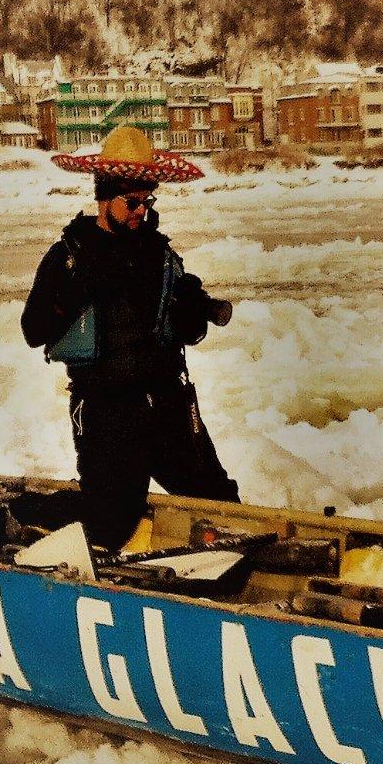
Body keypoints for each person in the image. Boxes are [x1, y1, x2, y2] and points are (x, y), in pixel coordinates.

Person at [20, 125, 238, 555]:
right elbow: (33, 330)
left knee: (218, 502)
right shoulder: (69, 255)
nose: (141, 210)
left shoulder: (160, 254)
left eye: (147, 200)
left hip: (168, 403)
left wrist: (192, 311)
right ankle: (28, 517)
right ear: (104, 198)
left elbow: (185, 334)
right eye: (132, 201)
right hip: (106, 410)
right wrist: (79, 288)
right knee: (110, 519)